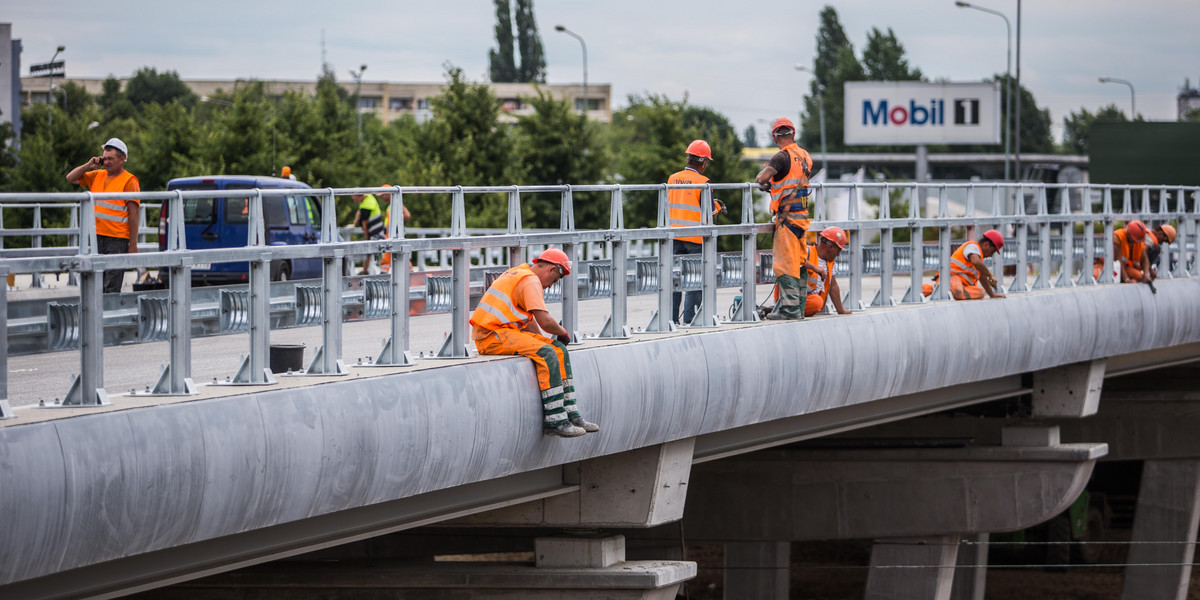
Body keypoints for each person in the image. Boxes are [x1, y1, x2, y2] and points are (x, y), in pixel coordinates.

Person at [470, 248, 599, 438]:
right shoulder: (530, 281)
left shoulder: (521, 274)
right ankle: (555, 420)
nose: (549, 286)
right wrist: (563, 333)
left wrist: (549, 342)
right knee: (547, 353)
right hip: (491, 336)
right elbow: (545, 321)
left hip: (502, 332)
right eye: (554, 281)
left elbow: (528, 320)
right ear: (551, 270)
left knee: (558, 350)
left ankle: (572, 414)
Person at [755, 118, 814, 320]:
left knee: (785, 265)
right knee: (799, 263)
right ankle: (799, 308)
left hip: (786, 221)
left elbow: (761, 178)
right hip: (802, 219)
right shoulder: (805, 156)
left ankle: (789, 311)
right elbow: (794, 182)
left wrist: (767, 182)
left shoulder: (781, 157)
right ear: (793, 134)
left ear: (774, 137)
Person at [65, 138, 140, 293]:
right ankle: (97, 315)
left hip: (117, 239)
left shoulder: (129, 180)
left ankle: (108, 315)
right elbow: (70, 178)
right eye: (104, 158)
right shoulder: (96, 175)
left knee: (111, 286)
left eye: (110, 158)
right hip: (96, 237)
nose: (106, 162)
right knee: (96, 284)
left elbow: (134, 214)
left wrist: (133, 244)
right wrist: (88, 165)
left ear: (122, 159)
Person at [666, 140, 725, 325]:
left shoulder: (672, 178)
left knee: (675, 279)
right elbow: (709, 212)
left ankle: (672, 320)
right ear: (704, 162)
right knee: (694, 279)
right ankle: (691, 320)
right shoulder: (704, 182)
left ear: (688, 157)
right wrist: (718, 207)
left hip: (674, 236)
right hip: (695, 239)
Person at [803, 227, 852, 317]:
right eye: (838, 251)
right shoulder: (806, 252)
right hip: (795, 299)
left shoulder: (830, 263)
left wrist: (840, 310)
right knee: (816, 302)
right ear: (830, 247)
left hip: (812, 303)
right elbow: (793, 259)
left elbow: (833, 286)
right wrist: (813, 267)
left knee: (817, 302)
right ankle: (788, 310)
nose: (837, 255)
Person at [947, 229, 1006, 300]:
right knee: (957, 290)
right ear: (986, 244)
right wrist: (990, 275)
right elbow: (976, 262)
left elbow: (982, 276)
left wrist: (992, 294)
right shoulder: (972, 246)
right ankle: (937, 289)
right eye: (992, 252)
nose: (991, 255)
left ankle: (957, 293)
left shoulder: (979, 259)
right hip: (951, 277)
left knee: (981, 292)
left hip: (963, 285)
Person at [377, 184, 412, 273]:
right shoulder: (392, 204)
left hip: (394, 234)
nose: (381, 198)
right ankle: (409, 271)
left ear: (389, 193)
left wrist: (399, 228)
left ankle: (383, 274)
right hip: (391, 233)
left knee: (390, 253)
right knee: (398, 254)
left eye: (382, 195)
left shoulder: (396, 202)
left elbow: (407, 215)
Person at [352, 190, 386, 274]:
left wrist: (366, 238)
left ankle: (377, 270)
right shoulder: (367, 196)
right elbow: (358, 210)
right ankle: (366, 270)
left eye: (354, 198)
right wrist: (354, 223)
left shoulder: (366, 206)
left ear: (359, 196)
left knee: (376, 250)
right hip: (378, 230)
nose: (353, 199)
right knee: (373, 251)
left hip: (376, 231)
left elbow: (364, 224)